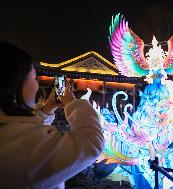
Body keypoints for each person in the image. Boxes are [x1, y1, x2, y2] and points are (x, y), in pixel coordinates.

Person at [0, 41, 105, 189]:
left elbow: (24, 131)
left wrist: (47, 108)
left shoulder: (9, 134)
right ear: (15, 84)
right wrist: (72, 103)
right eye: (34, 77)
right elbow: (92, 143)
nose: (36, 85)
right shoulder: (25, 149)